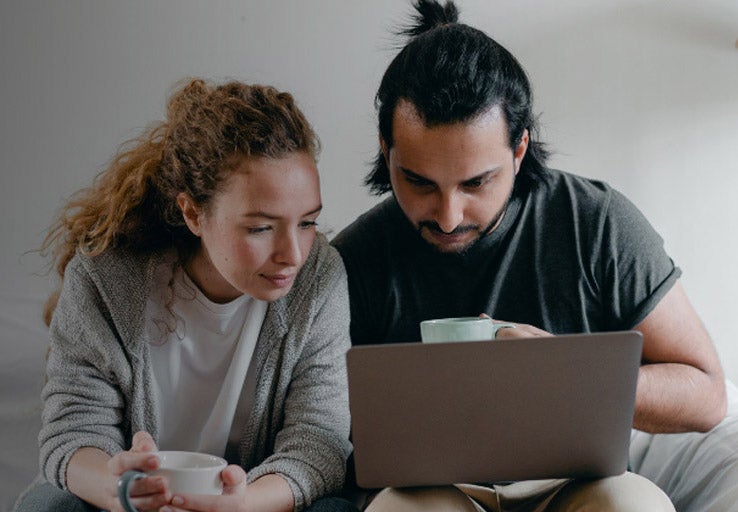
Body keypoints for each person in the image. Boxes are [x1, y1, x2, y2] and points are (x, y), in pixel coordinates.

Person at [333, 1, 738, 511]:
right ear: (386, 149)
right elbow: (316, 425)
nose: (449, 215)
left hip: (578, 485)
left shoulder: (595, 223)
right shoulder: (352, 260)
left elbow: (707, 395)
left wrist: (567, 375)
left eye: (476, 182)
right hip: (426, 489)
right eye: (418, 182)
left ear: (520, 149)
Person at [15, 78, 357, 512]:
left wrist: (242, 503)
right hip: (123, 506)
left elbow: (318, 443)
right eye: (260, 228)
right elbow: (73, 431)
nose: (293, 254)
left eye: (308, 222)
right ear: (192, 212)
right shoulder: (105, 276)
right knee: (51, 505)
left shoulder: (319, 278)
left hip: (255, 502)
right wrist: (120, 487)